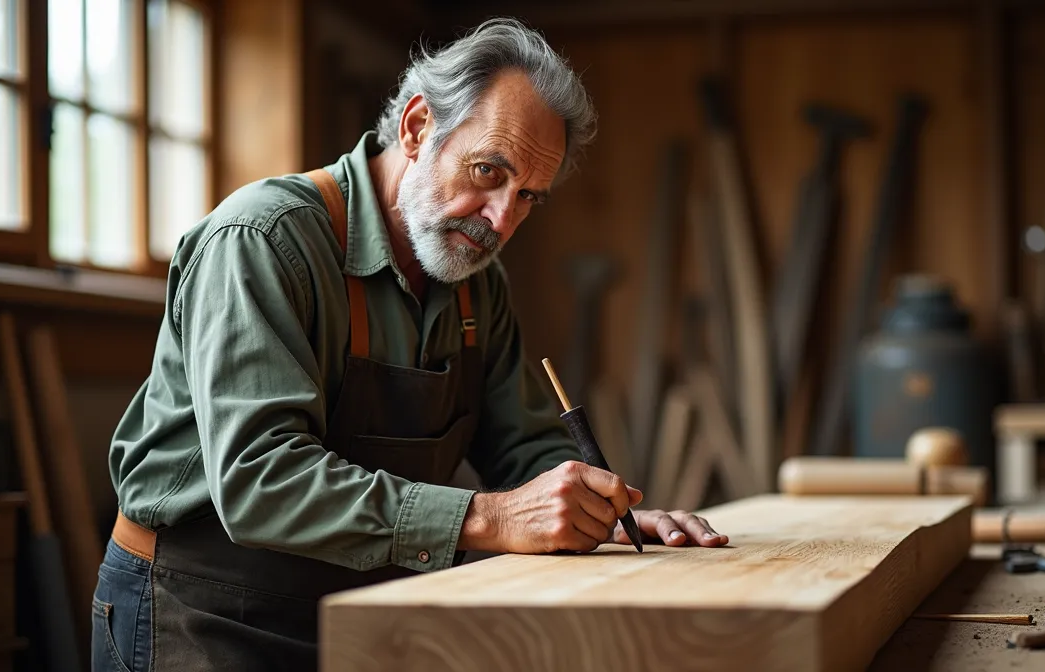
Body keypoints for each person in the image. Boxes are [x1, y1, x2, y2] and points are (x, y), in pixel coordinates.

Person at [91, 17, 728, 672]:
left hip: (358, 609)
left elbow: (522, 446)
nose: (502, 220)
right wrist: (484, 517)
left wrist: (599, 513)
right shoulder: (262, 240)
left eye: (528, 196)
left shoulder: (478, 284)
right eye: (487, 171)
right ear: (418, 127)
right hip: (202, 612)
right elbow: (262, 479)